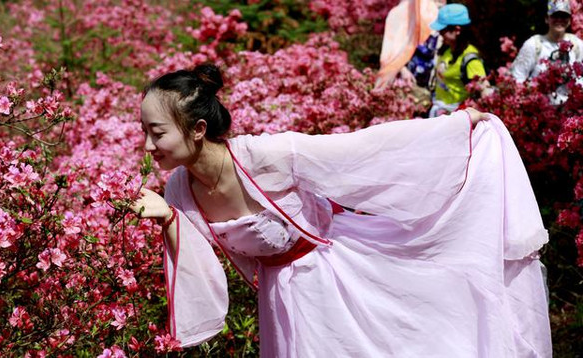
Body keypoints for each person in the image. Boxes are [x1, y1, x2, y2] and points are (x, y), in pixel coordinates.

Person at [133, 64, 552, 357]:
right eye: (144, 132)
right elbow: (199, 266)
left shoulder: (265, 155)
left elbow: (360, 149)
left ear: (198, 129)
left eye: (158, 133)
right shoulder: (178, 189)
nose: (149, 146)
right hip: (282, 297)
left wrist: (456, 128)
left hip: (338, 276)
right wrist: (170, 219)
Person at [511, 0, 583, 104]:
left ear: (569, 21)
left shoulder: (578, 45)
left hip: (569, 110)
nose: (559, 20)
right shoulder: (534, 44)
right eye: (555, 16)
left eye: (564, 16)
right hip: (538, 109)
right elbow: (517, 77)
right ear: (546, 19)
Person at [429, 4, 487, 117]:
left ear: (457, 30)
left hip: (456, 118)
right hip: (440, 112)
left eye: (443, 30)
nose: (440, 34)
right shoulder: (447, 50)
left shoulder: (470, 59)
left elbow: (483, 91)